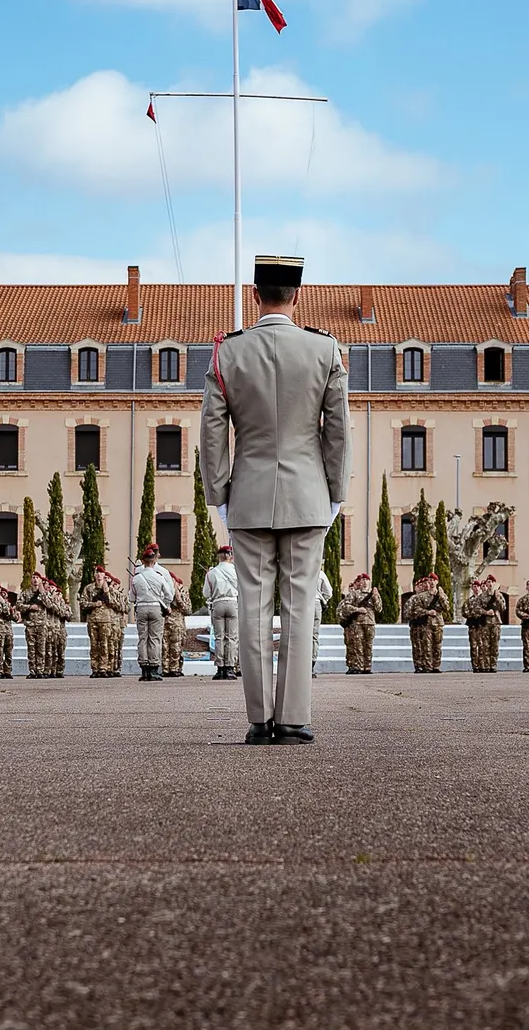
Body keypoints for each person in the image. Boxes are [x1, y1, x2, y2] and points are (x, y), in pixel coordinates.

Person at [200, 255, 351, 745]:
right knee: (300, 605)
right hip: (309, 496)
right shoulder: (324, 350)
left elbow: (212, 433)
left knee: (252, 606)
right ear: (297, 296)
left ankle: (259, 719)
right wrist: (336, 493)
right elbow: (338, 433)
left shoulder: (228, 353)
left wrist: (218, 493)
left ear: (255, 295)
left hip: (248, 495)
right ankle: (293, 718)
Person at [130, 544, 174, 681]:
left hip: (142, 608)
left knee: (143, 638)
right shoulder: (159, 576)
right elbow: (169, 594)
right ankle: (154, 668)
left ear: (143, 561)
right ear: (153, 561)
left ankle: (144, 669)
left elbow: (131, 597)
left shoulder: (136, 577)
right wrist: (165, 604)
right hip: (155, 608)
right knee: (155, 638)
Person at [203, 545, 239, 681]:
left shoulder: (211, 573)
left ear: (219, 556)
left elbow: (206, 593)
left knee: (219, 637)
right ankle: (230, 667)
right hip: (232, 603)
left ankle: (220, 667)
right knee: (232, 637)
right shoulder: (236, 571)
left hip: (217, 603)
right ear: (230, 556)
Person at [337, 573, 382, 674]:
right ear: (360, 582)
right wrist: (358, 609)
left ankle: (367, 667)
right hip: (357, 623)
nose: (365, 582)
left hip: (370, 623)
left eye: (367, 580)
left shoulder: (373, 594)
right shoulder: (354, 594)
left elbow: (379, 609)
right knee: (358, 646)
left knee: (368, 646)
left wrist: (375, 597)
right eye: (363, 580)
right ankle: (358, 667)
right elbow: (346, 607)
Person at [402, 572, 447, 673]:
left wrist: (441, 596)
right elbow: (408, 612)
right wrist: (425, 613)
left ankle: (433, 665)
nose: (425, 586)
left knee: (435, 646)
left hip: (433, 623)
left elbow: (445, 607)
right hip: (418, 625)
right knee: (420, 647)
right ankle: (421, 665)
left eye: (426, 583)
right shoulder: (416, 598)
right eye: (421, 585)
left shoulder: (439, 595)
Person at [81, 566, 117, 678]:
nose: (99, 575)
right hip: (92, 620)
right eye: (97, 572)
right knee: (94, 645)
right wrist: (94, 604)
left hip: (105, 620)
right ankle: (95, 668)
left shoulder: (109, 589)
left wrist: (106, 593)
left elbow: (115, 604)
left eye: (101, 573)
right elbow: (82, 603)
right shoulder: (89, 588)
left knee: (104, 645)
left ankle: (103, 668)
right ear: (94, 575)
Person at [18, 572, 49, 679]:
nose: (35, 580)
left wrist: (43, 594)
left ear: (40, 580)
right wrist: (30, 607)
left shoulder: (44, 593)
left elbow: (50, 605)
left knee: (41, 649)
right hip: (30, 625)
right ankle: (32, 671)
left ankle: (40, 670)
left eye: (37, 578)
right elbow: (18, 605)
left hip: (41, 625)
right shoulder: (26, 593)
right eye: (33, 577)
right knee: (31, 649)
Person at [162, 572, 191, 678]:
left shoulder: (183, 594)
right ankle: (165, 668)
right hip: (165, 623)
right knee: (164, 647)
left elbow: (188, 610)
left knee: (176, 647)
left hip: (177, 624)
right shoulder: (164, 593)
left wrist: (178, 599)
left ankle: (175, 668)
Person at [480, 573, 508, 672]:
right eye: (488, 582)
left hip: (496, 622)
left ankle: (493, 665)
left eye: (492, 582)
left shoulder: (498, 595)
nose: (490, 584)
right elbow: (476, 609)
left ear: (494, 583)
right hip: (486, 623)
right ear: (486, 584)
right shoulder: (482, 596)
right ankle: (487, 666)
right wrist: (486, 612)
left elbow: (503, 608)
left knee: (495, 645)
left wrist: (497, 598)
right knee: (486, 645)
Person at [312, 566, 334, 677]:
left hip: (300, 604)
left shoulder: (299, 570)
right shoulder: (319, 573)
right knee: (313, 635)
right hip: (315, 603)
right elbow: (329, 592)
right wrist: (324, 600)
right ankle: (311, 664)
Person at [462, 577, 487, 672]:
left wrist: (481, 614)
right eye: (474, 586)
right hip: (473, 625)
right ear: (472, 588)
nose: (476, 588)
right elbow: (464, 612)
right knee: (473, 646)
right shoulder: (469, 601)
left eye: (478, 586)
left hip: (482, 625)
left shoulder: (483, 600)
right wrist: (473, 615)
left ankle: (482, 665)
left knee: (482, 646)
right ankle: (475, 666)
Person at [107, 573, 127, 676]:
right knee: (110, 646)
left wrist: (120, 604)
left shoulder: (121, 595)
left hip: (120, 624)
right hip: (109, 622)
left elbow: (126, 608)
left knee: (118, 647)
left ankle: (117, 668)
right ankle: (109, 667)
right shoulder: (107, 593)